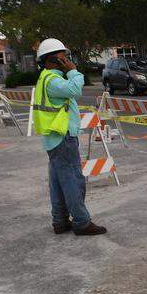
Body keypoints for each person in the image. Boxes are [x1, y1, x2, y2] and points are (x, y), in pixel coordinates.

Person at [32, 38, 106, 236]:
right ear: (51, 60)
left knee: (58, 182)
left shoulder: (45, 78)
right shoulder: (54, 80)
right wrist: (73, 70)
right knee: (73, 180)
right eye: (63, 58)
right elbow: (75, 90)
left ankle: (60, 221)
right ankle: (81, 221)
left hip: (54, 137)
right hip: (62, 136)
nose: (67, 61)